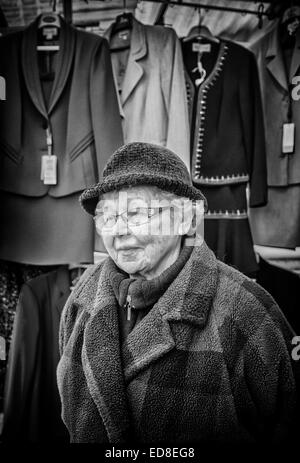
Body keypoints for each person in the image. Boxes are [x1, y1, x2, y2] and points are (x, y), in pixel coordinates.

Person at [57, 142, 299, 445]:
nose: (118, 231)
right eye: (108, 216)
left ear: (184, 219)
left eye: (136, 213)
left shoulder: (245, 309)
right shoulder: (84, 294)